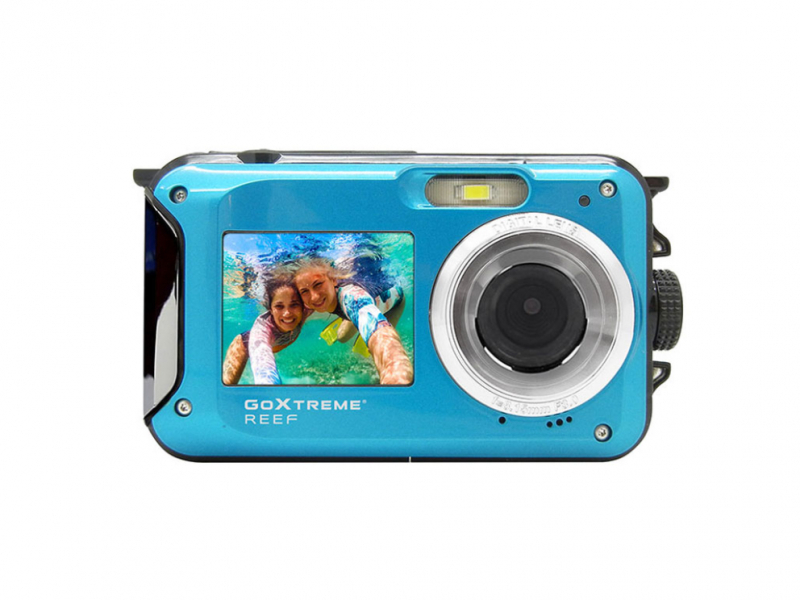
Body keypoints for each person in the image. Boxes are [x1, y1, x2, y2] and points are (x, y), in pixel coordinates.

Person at [292, 257, 413, 385]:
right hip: (358, 305)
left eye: (318, 285)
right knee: (342, 337)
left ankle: (354, 316)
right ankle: (352, 317)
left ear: (333, 280)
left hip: (394, 301)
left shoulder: (353, 298)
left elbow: (383, 337)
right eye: (304, 291)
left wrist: (397, 376)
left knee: (373, 351)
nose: (314, 297)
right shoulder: (308, 300)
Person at [222, 273, 312, 385]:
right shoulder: (262, 331)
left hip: (274, 345)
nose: (287, 313)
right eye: (279, 306)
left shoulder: (306, 309)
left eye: (294, 305)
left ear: (302, 306)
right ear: (271, 309)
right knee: (227, 386)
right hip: (244, 346)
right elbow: (264, 370)